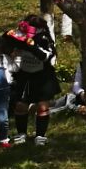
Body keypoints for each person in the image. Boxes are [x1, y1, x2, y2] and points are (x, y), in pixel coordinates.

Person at [7, 15, 59, 147]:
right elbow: (6, 46)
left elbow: (46, 56)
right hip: (24, 74)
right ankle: (21, 133)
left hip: (42, 75)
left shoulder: (44, 39)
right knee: (20, 105)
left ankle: (40, 135)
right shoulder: (19, 36)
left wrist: (32, 46)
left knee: (42, 106)